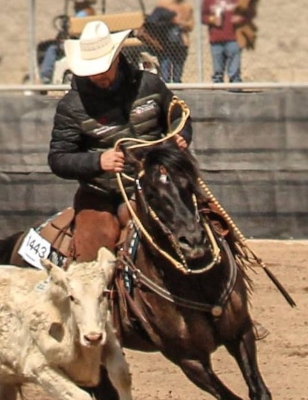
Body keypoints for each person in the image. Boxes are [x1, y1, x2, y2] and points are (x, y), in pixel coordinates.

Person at [48, 20, 193, 262]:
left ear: (117, 58)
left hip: (154, 186)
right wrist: (98, 161)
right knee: (91, 254)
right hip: (99, 194)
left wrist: (182, 136)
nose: (97, 76)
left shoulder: (150, 85)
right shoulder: (71, 106)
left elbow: (179, 116)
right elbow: (58, 158)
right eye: (91, 70)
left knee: (203, 225)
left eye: (102, 68)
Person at [39, 0, 97, 84]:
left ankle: (46, 76)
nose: (74, 6)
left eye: (76, 4)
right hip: (84, 41)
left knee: (52, 49)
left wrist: (66, 34)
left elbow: (73, 31)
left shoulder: (82, 15)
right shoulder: (92, 12)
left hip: (76, 43)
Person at [201, 0, 247, 83]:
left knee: (234, 72)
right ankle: (218, 91)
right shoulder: (208, 1)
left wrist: (240, 19)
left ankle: (235, 88)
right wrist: (212, 19)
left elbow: (246, 14)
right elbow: (203, 17)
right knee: (218, 71)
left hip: (234, 39)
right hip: (216, 39)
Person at [152, 0, 194, 83]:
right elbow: (153, 21)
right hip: (164, 43)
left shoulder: (187, 7)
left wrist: (179, 23)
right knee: (165, 74)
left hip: (180, 43)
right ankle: (166, 91)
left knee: (177, 74)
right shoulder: (163, 5)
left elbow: (190, 25)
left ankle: (177, 90)